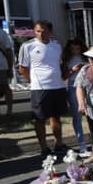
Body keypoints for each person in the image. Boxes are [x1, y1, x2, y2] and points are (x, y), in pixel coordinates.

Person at [18, 20, 68, 157]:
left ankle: (59, 144)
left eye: (44, 31)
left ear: (50, 32)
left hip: (57, 86)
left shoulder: (57, 45)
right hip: (39, 89)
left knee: (56, 117)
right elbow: (22, 68)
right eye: (38, 31)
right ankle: (44, 148)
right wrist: (33, 81)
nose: (41, 34)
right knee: (39, 119)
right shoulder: (27, 46)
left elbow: (60, 64)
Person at [61, 38, 89, 156]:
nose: (75, 51)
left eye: (77, 48)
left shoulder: (86, 57)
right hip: (73, 86)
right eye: (73, 49)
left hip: (88, 85)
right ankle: (81, 142)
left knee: (92, 114)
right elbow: (63, 76)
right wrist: (72, 69)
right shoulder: (66, 60)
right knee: (77, 116)